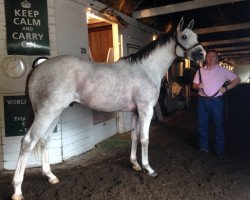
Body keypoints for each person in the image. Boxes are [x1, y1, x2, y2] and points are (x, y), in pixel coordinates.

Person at [193, 50, 241, 158]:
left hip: (216, 102)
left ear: (217, 59)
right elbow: (194, 85)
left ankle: (220, 150)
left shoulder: (222, 70)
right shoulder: (200, 71)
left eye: (213, 56)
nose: (210, 58)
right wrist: (197, 87)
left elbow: (237, 79)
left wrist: (226, 88)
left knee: (218, 125)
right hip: (202, 101)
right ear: (206, 58)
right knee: (202, 125)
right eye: (208, 56)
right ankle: (203, 147)